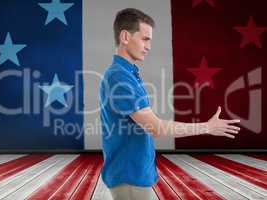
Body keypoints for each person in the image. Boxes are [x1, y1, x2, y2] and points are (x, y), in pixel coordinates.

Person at [99, 8, 241, 200]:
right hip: (129, 177)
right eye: (145, 39)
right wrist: (207, 127)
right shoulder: (119, 77)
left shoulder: (127, 74)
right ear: (125, 36)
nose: (149, 46)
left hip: (133, 175)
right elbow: (156, 128)